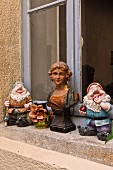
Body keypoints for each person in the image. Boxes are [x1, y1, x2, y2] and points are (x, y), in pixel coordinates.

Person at [47, 61, 79, 133]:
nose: (58, 77)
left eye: (61, 74)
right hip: (55, 123)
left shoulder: (72, 95)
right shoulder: (50, 95)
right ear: (51, 76)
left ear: (66, 76)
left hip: (66, 123)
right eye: (55, 74)